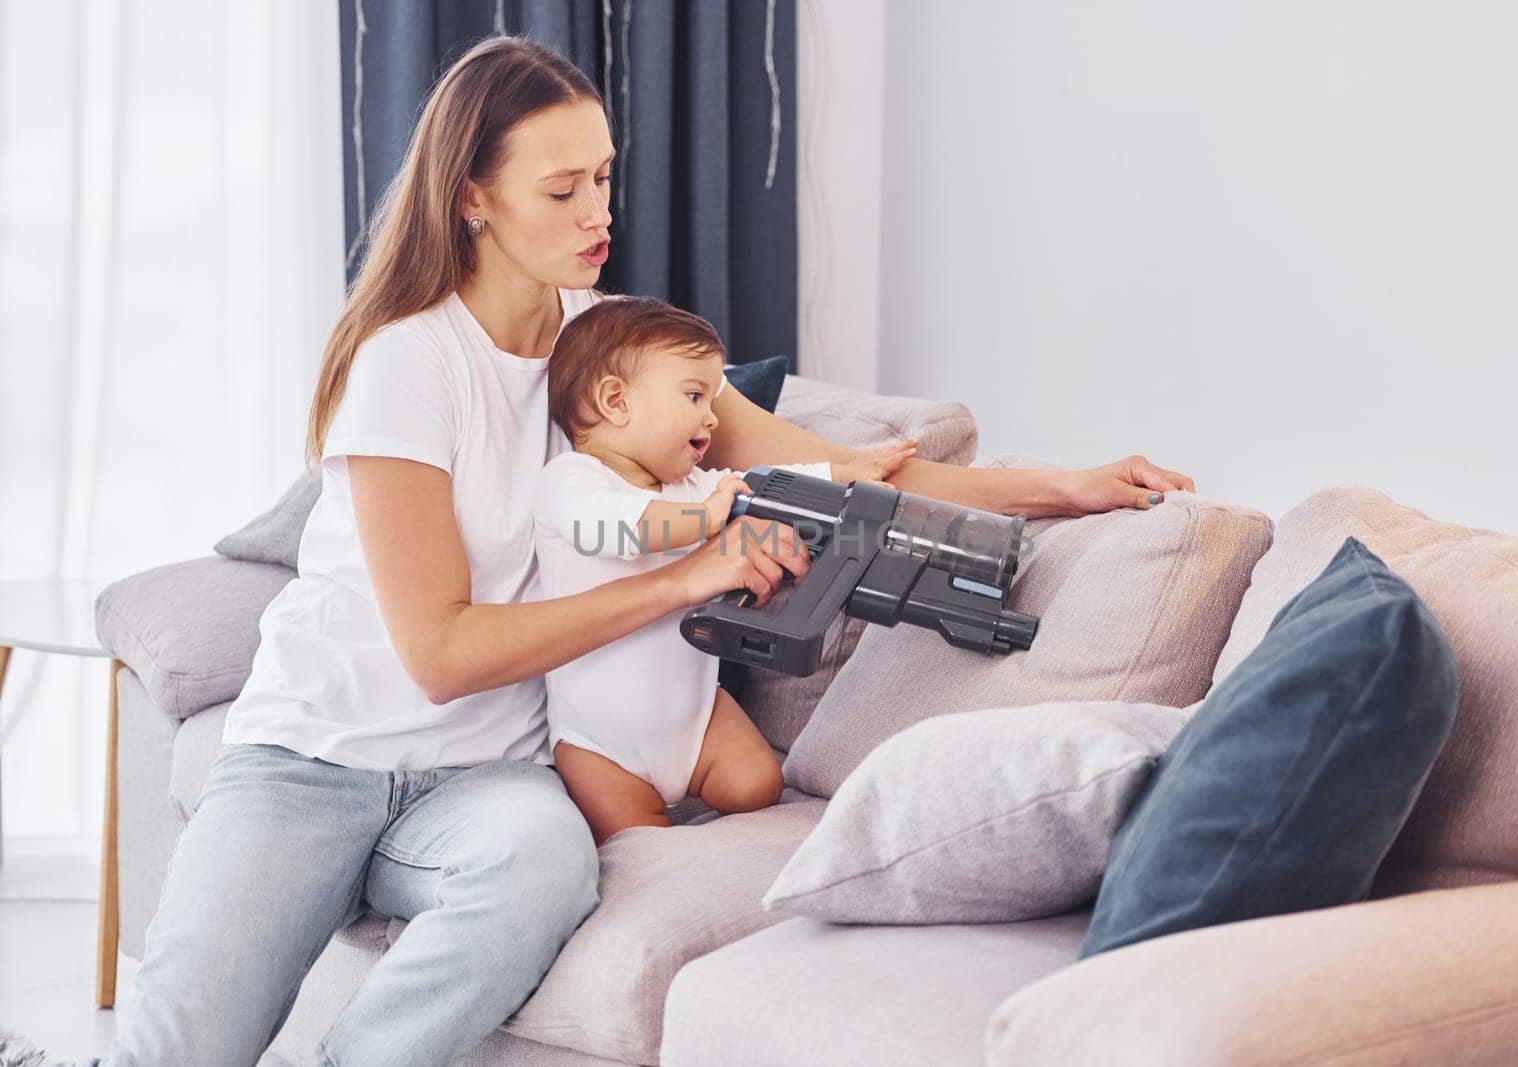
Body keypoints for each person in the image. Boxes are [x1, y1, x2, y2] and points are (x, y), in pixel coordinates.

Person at [44, 35, 1191, 1067]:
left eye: (604, 175)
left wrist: (1064, 486)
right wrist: (685, 573)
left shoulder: (609, 350)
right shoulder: (409, 361)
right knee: (180, 1045)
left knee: (542, 867)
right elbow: (440, 650)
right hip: (312, 758)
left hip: (485, 778)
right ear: (473, 200)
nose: (600, 209)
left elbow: (834, 470)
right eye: (563, 186)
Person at [534, 295, 915, 844]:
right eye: (694, 396)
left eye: (711, 399)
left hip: (697, 717)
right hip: (600, 746)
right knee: (636, 843)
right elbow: (619, 527)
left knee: (757, 784)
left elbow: (770, 483)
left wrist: (848, 472)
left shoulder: (693, 488)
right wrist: (706, 517)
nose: (711, 416)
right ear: (616, 401)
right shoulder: (571, 481)